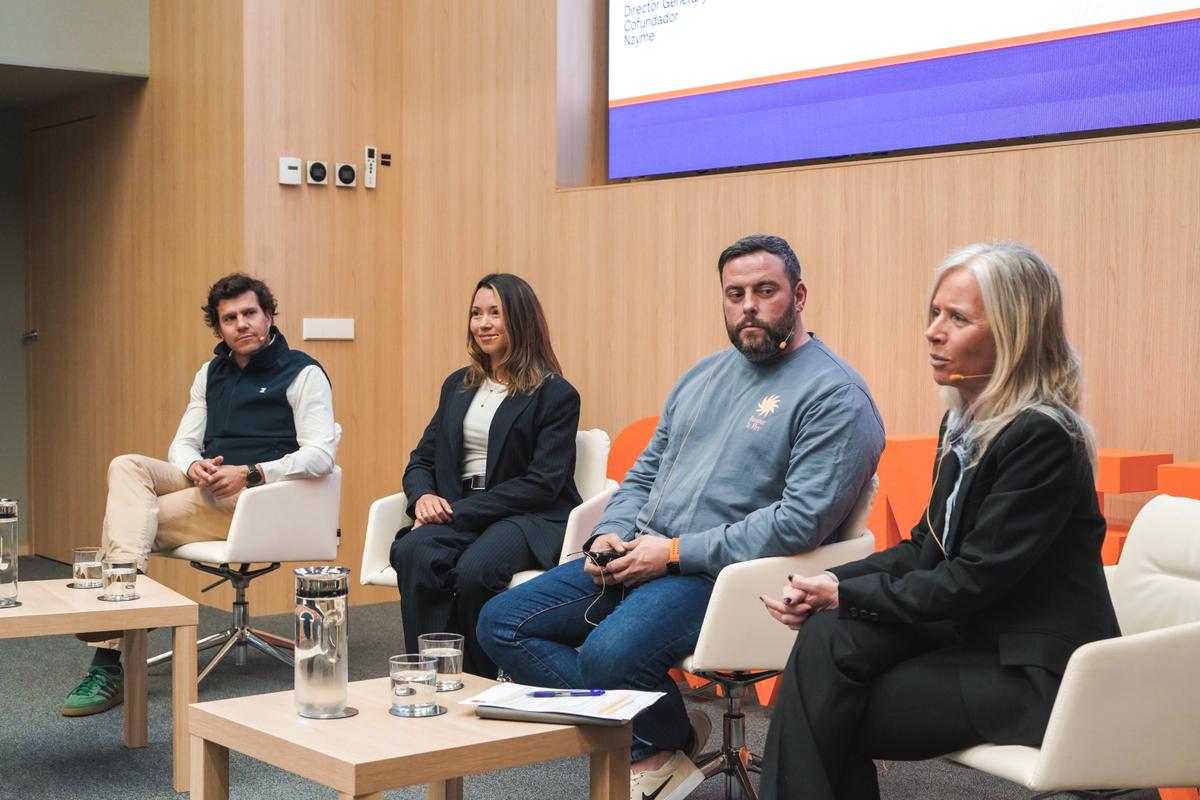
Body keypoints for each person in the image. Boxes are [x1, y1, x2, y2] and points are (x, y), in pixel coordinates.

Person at [478, 234, 885, 800]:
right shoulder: (703, 375)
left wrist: (672, 554)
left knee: (609, 656)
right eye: (735, 294)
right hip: (640, 553)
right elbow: (644, 474)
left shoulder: (835, 394)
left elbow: (798, 524)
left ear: (798, 296)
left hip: (728, 577)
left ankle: (650, 741)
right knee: (500, 623)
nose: (748, 306)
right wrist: (610, 533)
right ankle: (667, 734)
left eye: (765, 291)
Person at [758, 242, 1121, 800]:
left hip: (1033, 671)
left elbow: (971, 579)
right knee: (828, 642)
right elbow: (924, 549)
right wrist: (832, 583)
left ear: (1014, 333)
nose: (933, 332)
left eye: (957, 318)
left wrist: (845, 596)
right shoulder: (964, 425)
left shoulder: (1042, 435)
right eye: (934, 313)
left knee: (828, 708)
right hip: (974, 638)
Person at [62, 273, 337, 717]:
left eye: (250, 313)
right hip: (208, 485)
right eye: (230, 318)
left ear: (269, 315)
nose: (242, 324)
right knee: (126, 466)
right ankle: (127, 603)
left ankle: (109, 654)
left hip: (262, 499)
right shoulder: (211, 373)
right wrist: (193, 465)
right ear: (219, 328)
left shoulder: (303, 372)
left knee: (129, 522)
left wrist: (251, 473)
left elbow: (321, 455)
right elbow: (183, 443)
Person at [389, 273, 581, 678]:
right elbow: (422, 458)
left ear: (521, 319)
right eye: (476, 314)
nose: (483, 324)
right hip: (462, 508)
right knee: (414, 552)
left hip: (526, 515)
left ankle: (479, 681)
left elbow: (543, 484)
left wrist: (457, 512)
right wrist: (422, 497)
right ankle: (432, 674)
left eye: (496, 313)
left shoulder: (555, 394)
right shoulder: (458, 385)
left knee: (476, 570)